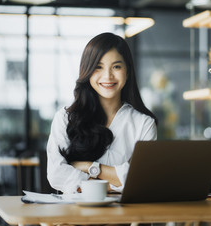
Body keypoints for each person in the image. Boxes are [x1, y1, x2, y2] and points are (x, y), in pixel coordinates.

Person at [46, 32, 158, 194]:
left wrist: (89, 167)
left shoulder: (144, 124)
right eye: (98, 67)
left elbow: (143, 178)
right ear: (87, 71)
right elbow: (56, 174)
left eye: (116, 67)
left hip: (124, 216)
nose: (108, 76)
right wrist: (112, 185)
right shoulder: (65, 118)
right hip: (75, 214)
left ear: (127, 71)